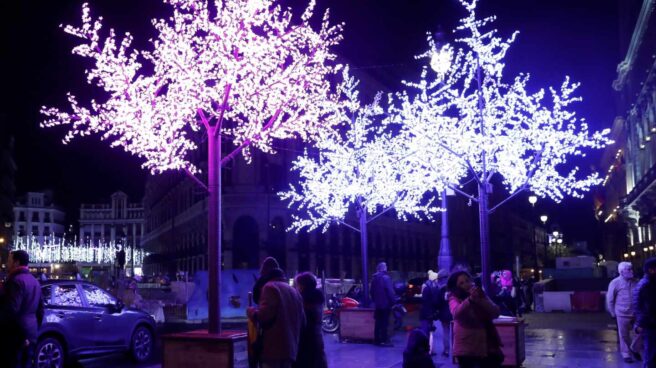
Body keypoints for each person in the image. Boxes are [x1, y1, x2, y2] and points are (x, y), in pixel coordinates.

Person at [247, 267, 305, 368]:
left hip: (273, 348)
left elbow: (263, 316)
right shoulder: (294, 291)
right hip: (290, 348)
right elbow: (303, 321)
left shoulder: (270, 287)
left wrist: (251, 311)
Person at [448, 270, 503, 368]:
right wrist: (469, 300)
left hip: (487, 345)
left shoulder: (479, 294)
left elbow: (495, 312)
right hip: (467, 348)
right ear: (456, 286)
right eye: (461, 283)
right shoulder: (454, 298)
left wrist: (482, 299)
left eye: (467, 280)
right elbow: (456, 313)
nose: (466, 284)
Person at [0, 250, 44, 368]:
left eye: (9, 261)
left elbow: (10, 311)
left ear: (16, 262)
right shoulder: (35, 282)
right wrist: (33, 333)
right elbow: (40, 310)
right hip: (31, 333)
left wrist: (22, 336)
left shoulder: (15, 281)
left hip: (15, 337)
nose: (7, 263)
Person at [607, 261, 641, 363]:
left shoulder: (636, 282)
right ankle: (626, 354)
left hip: (636, 313)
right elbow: (610, 299)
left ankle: (635, 349)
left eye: (631, 269)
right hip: (622, 313)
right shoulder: (615, 283)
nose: (631, 271)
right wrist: (613, 313)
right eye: (629, 269)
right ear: (621, 272)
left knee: (639, 333)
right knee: (624, 335)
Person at [293, 272, 327, 368]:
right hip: (317, 336)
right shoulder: (318, 296)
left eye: (298, 284)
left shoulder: (302, 299)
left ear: (303, 284)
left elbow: (301, 320)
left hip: (305, 339)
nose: (297, 287)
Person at [634, 257, 656, 368]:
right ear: (651, 270)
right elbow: (641, 307)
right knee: (650, 355)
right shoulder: (646, 285)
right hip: (650, 325)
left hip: (650, 323)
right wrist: (639, 324)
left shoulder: (649, 283)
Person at [370, 262, 396, 346]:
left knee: (378, 323)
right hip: (385, 304)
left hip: (378, 305)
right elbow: (390, 292)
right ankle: (384, 341)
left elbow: (372, 292)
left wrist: (375, 301)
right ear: (384, 268)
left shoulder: (374, 279)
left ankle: (377, 340)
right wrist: (393, 302)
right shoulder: (386, 278)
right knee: (385, 323)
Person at [435, 269, 452, 357]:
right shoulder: (453, 287)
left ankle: (446, 351)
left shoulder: (441, 289)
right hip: (454, 312)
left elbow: (438, 302)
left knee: (446, 332)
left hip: (444, 314)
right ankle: (457, 350)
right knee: (455, 332)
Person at [419, 270, 440, 342]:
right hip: (430, 312)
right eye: (437, 279)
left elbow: (423, 299)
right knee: (428, 330)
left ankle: (426, 348)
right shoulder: (434, 288)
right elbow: (435, 301)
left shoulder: (426, 287)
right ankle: (428, 348)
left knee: (425, 329)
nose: (438, 280)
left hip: (425, 311)